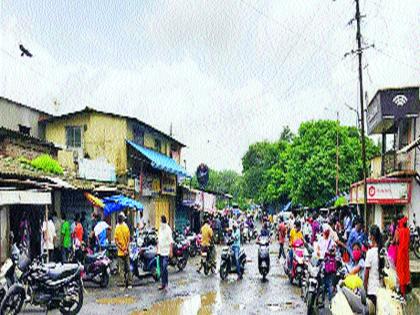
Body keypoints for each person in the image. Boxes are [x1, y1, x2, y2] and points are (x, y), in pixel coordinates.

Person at [364, 225, 383, 307]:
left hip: (372, 290)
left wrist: (364, 289)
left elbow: (366, 275)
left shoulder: (370, 253)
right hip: (382, 291)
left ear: (372, 237)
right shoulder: (383, 251)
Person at [316, 228, 336, 302]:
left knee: (323, 282)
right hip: (329, 265)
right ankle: (329, 302)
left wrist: (320, 253)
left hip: (324, 264)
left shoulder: (322, 240)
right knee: (329, 283)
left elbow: (317, 250)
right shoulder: (331, 241)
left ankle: (322, 299)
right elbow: (334, 251)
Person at [114, 212, 132, 289]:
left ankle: (123, 284)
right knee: (128, 268)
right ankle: (130, 283)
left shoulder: (117, 228)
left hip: (120, 252)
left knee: (121, 269)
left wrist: (121, 249)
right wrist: (126, 249)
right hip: (126, 251)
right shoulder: (126, 227)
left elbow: (116, 242)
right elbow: (128, 240)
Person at [157, 215, 173, 290]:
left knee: (164, 268)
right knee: (161, 268)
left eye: (160, 221)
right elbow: (158, 239)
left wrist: (171, 251)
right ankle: (163, 284)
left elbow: (171, 241)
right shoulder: (160, 229)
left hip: (166, 252)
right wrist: (157, 249)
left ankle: (165, 283)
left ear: (163, 221)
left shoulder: (168, 229)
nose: (160, 222)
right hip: (160, 251)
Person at [395, 216, 410, 297]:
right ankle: (404, 290)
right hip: (406, 253)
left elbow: (397, 241)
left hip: (400, 252)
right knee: (405, 270)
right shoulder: (408, 230)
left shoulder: (399, 231)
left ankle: (402, 291)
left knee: (400, 271)